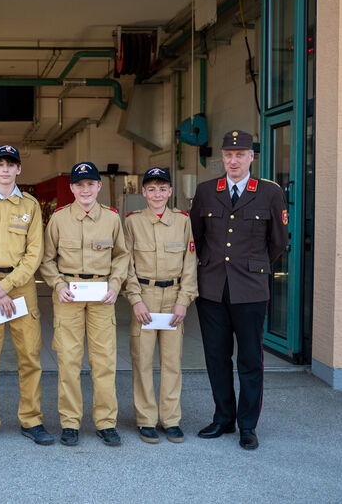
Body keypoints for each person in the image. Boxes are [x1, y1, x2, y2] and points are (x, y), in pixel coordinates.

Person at [190, 130, 288, 450]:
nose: (234, 161)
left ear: (251, 157)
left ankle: (247, 425)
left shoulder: (269, 192)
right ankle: (223, 418)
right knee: (216, 357)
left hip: (251, 290)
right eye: (229, 155)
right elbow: (196, 236)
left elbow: (278, 242)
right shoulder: (206, 191)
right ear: (222, 157)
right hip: (212, 288)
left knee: (249, 359)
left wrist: (253, 265)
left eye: (240, 155)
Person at [0, 144, 53, 447]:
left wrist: (8, 286)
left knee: (29, 357)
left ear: (19, 169)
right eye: (0, 164)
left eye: (10, 164)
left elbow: (35, 252)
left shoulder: (30, 205)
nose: (5, 169)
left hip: (22, 288)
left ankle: (32, 419)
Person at [39, 162, 129, 447]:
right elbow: (47, 259)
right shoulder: (59, 219)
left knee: (104, 361)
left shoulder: (111, 219)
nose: (85, 189)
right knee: (68, 361)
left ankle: (106, 423)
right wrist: (58, 285)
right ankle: (70, 422)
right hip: (69, 295)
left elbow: (122, 256)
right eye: (79, 184)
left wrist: (115, 285)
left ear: (99, 186)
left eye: (90, 184)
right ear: (72, 188)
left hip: (102, 295)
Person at [124, 167, 198, 445]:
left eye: (162, 189)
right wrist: (135, 300)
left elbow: (190, 264)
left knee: (171, 363)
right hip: (145, 297)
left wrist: (183, 301)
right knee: (142, 361)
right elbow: (127, 265)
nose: (157, 194)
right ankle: (146, 419)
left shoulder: (182, 221)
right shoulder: (132, 222)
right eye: (152, 189)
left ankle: (171, 419)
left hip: (173, 299)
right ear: (143, 192)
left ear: (170, 192)